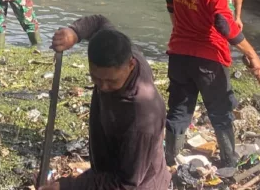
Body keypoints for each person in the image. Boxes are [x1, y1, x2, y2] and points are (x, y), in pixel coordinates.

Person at [165, 0, 260, 172]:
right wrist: (252, 53)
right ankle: (230, 162)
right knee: (221, 111)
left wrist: (181, 29)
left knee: (179, 110)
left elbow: (170, 3)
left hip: (178, 54)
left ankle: (168, 160)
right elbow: (224, 24)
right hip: (209, 58)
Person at [44, 15, 170, 190]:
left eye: (111, 81)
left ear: (131, 65)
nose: (103, 87)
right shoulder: (120, 50)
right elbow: (99, 24)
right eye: (96, 78)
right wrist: (75, 33)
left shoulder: (141, 117)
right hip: (111, 168)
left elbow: (126, 184)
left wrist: (66, 186)